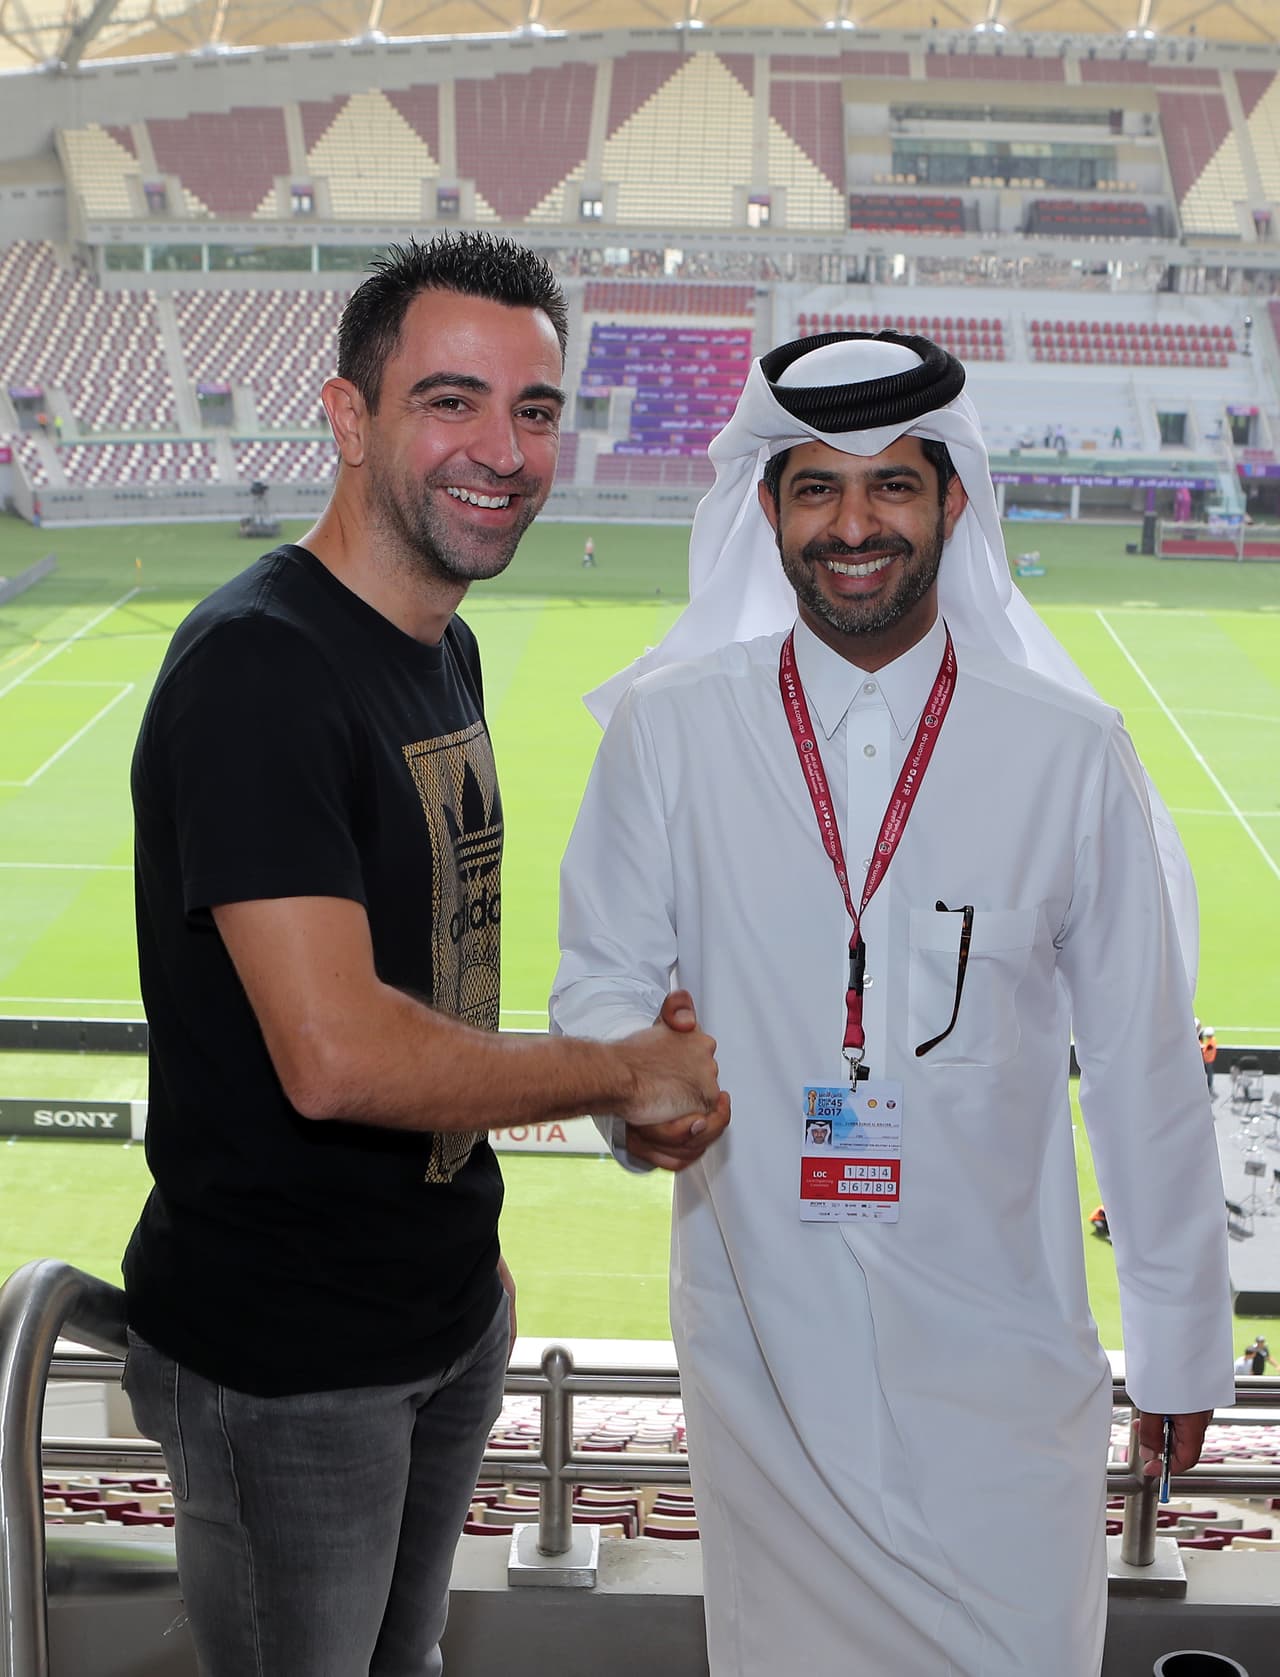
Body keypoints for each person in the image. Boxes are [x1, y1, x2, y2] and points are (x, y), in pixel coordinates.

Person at [551, 329, 1233, 1677]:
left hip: (1009, 1376)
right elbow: (601, 997)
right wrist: (643, 1112)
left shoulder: (1069, 755)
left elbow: (1146, 1067)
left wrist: (1179, 1346)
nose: (852, 525)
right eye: (816, 489)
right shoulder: (668, 735)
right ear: (769, 509)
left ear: (952, 500)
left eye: (891, 487)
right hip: (767, 1365)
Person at [121, 232, 726, 1677]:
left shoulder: (434, 646)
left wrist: (477, 1246)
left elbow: (432, 975)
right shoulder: (261, 670)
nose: (502, 450)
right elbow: (333, 1058)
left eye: (533, 409)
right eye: (451, 400)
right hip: (293, 1364)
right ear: (350, 419)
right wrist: (621, 1072)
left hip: (439, 1313)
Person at [1199, 1021, 1217, 1092]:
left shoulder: (1210, 1043)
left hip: (1208, 1060)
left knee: (1208, 1073)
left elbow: (1204, 1050)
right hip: (1209, 1059)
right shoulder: (1212, 1040)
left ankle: (1208, 1085)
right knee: (1209, 1072)